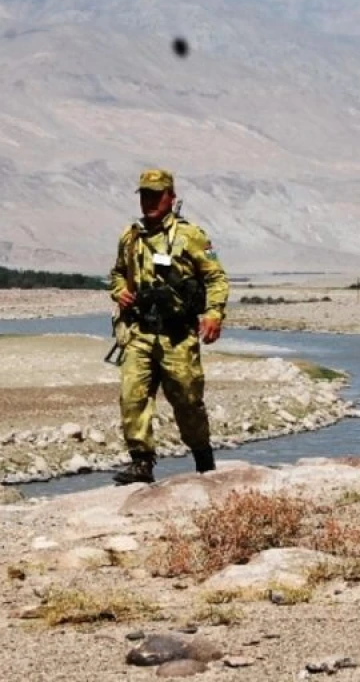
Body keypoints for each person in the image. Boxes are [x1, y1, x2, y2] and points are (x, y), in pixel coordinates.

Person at [109, 169, 230, 485]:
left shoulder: (191, 236)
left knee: (188, 401)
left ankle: (203, 458)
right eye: (144, 195)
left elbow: (215, 277)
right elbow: (118, 273)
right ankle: (141, 462)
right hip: (140, 332)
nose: (149, 201)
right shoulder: (130, 237)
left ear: (170, 197)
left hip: (177, 335)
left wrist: (214, 314)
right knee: (132, 397)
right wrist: (119, 291)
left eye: (156, 194)